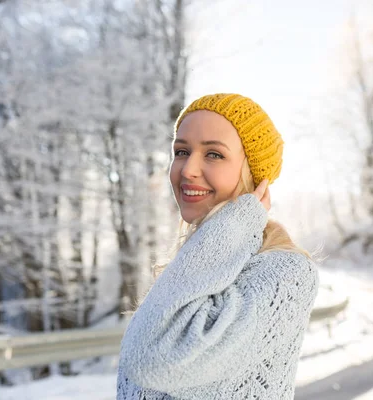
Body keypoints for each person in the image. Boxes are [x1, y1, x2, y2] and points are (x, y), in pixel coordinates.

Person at [116, 93, 320, 399]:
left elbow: (153, 360)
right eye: (182, 151)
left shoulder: (287, 273)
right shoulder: (196, 264)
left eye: (214, 154)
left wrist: (238, 221)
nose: (187, 170)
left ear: (254, 175)